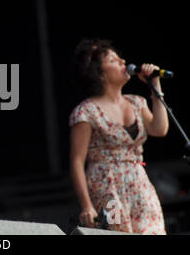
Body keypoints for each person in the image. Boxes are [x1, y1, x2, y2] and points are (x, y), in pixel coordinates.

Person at [69, 38, 169, 235]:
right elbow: (76, 161)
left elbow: (160, 129)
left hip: (139, 183)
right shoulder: (86, 112)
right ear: (99, 74)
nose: (123, 62)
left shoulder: (136, 102)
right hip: (107, 186)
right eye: (113, 60)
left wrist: (154, 85)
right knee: (118, 232)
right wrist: (87, 205)